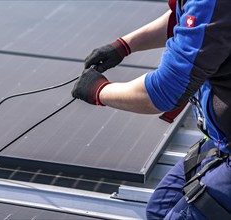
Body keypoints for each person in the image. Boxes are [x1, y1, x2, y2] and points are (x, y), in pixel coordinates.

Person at [71, 0, 231, 219]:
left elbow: (164, 91)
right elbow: (189, 19)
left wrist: (98, 91)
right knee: (161, 208)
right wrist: (125, 45)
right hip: (221, 137)